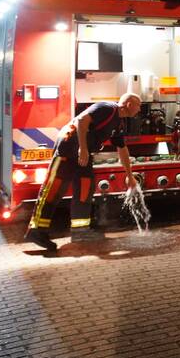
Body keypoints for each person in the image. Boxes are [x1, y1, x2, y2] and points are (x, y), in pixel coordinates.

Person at [24, 93, 142, 251]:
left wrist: (130, 176)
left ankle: (80, 231)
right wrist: (83, 148)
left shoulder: (119, 124)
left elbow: (122, 149)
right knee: (54, 189)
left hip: (83, 154)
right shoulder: (106, 108)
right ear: (128, 104)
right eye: (138, 105)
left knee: (85, 188)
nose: (139, 109)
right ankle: (36, 231)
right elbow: (81, 121)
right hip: (68, 148)